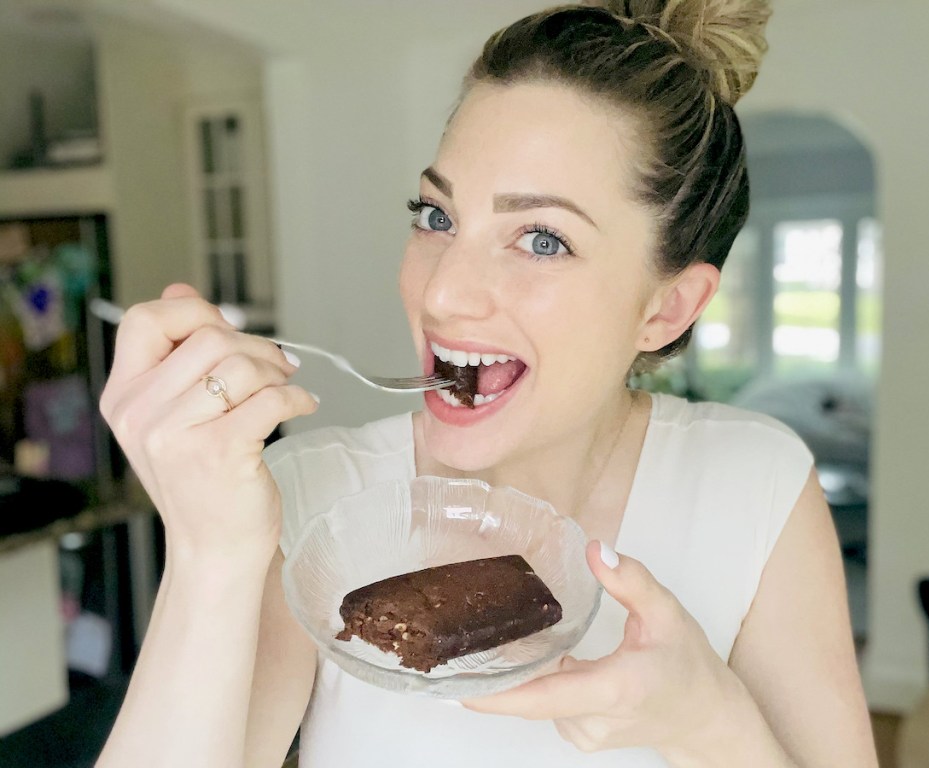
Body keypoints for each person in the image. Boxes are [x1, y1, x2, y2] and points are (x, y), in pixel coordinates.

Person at [95, 2, 878, 766]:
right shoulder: (308, 502)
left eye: (541, 239)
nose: (442, 295)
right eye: (436, 217)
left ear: (665, 309)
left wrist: (709, 723)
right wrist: (209, 549)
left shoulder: (757, 488)